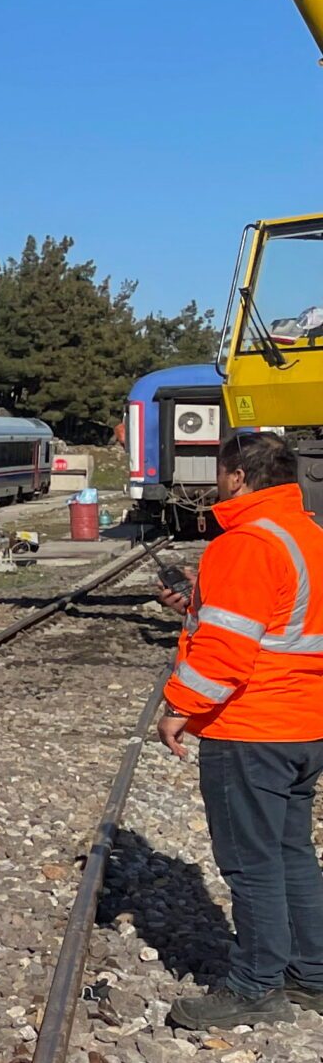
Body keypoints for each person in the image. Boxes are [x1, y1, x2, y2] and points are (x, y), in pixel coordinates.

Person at [158, 430, 323, 1030]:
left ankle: (255, 985)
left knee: (250, 863)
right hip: (305, 725)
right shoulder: (308, 536)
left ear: (236, 477)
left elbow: (227, 653)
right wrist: (194, 606)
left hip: (250, 727)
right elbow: (278, 624)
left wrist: (178, 706)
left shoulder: (245, 543)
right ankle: (312, 975)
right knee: (291, 852)